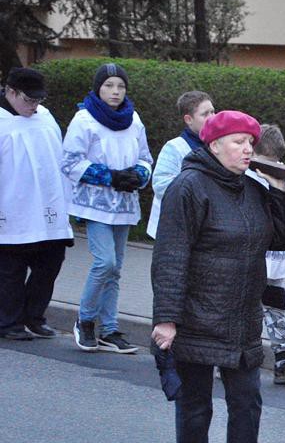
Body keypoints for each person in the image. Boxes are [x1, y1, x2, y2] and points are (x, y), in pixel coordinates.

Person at [151, 110, 285, 443]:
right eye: (238, 142)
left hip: (242, 318)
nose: (247, 148)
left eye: (250, 142)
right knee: (196, 408)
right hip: (197, 317)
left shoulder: (251, 189)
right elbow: (170, 256)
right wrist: (166, 318)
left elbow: (283, 237)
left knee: (248, 403)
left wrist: (279, 186)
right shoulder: (189, 188)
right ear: (213, 146)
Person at [62, 63, 153, 354]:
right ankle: (85, 320)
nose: (115, 92)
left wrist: (137, 175)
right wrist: (108, 176)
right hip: (95, 204)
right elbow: (69, 162)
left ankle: (110, 329)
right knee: (105, 263)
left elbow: (145, 159)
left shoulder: (133, 119)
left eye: (120, 86)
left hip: (124, 204)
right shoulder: (84, 119)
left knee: (116, 270)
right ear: (98, 88)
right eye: (109, 86)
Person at [0, 68, 73, 340]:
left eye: (38, 101)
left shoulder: (45, 117)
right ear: (10, 92)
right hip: (11, 208)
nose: (34, 106)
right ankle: (9, 322)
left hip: (47, 208)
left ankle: (33, 316)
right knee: (11, 270)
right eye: (28, 100)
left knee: (51, 261)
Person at [243, 123, 285, 385]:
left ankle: (283, 359)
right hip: (254, 259)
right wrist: (274, 189)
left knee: (275, 308)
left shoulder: (283, 180)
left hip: (276, 261)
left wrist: (282, 189)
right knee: (247, 307)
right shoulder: (249, 179)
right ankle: (231, 355)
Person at [146, 90, 215, 239]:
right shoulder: (174, 147)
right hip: (172, 228)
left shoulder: (218, 146)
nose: (212, 118)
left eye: (213, 112)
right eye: (205, 114)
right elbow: (160, 185)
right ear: (189, 119)